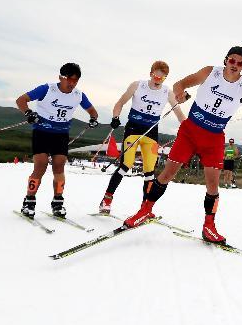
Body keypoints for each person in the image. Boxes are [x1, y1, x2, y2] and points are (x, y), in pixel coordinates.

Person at [123, 46, 242, 243]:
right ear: (226, 60)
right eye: (232, 61)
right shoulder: (210, 72)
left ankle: (209, 227)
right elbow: (179, 85)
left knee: (213, 184)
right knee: (167, 173)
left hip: (214, 137)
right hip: (190, 131)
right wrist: (180, 95)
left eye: (240, 63)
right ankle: (144, 211)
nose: (235, 65)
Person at [98, 61, 187, 213]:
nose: (158, 79)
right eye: (155, 76)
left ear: (165, 78)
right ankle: (107, 198)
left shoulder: (167, 92)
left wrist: (187, 128)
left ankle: (144, 208)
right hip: (133, 130)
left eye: (162, 77)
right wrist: (115, 116)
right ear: (151, 73)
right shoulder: (137, 85)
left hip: (151, 133)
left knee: (149, 171)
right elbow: (120, 102)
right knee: (126, 165)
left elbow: (179, 113)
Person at [15, 62, 100, 218]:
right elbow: (21, 100)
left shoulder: (78, 95)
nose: (72, 83)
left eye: (76, 80)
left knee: (59, 166)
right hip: (41, 132)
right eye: (69, 79)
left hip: (61, 134)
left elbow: (92, 111)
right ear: (61, 77)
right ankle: (29, 201)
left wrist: (93, 118)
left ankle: (58, 201)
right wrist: (28, 113)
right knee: (40, 166)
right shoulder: (47, 89)